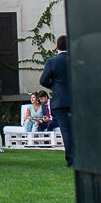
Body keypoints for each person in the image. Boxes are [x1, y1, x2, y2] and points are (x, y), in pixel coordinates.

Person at [40, 35, 72, 166]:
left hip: (60, 100)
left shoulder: (52, 61)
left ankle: (71, 160)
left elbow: (43, 80)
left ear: (57, 46)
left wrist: (54, 85)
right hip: (75, 99)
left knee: (66, 131)